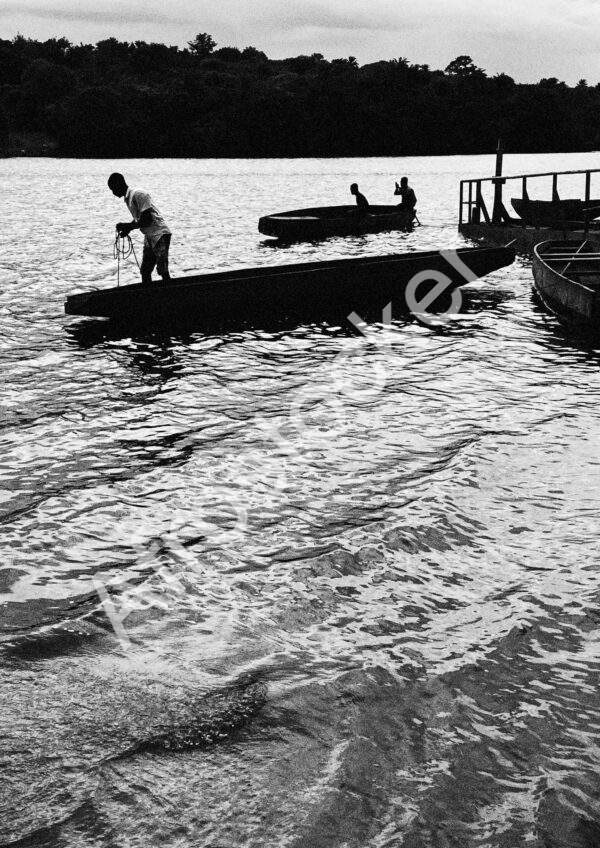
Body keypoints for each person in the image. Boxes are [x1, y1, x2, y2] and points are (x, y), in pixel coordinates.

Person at [107, 172, 172, 285]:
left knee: (162, 270)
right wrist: (128, 228)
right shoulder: (128, 199)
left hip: (160, 234)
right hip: (150, 236)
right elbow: (139, 218)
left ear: (119, 184)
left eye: (113, 189)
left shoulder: (138, 194)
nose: (113, 193)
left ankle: (171, 293)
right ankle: (148, 295)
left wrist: (128, 226)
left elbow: (147, 219)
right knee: (145, 271)